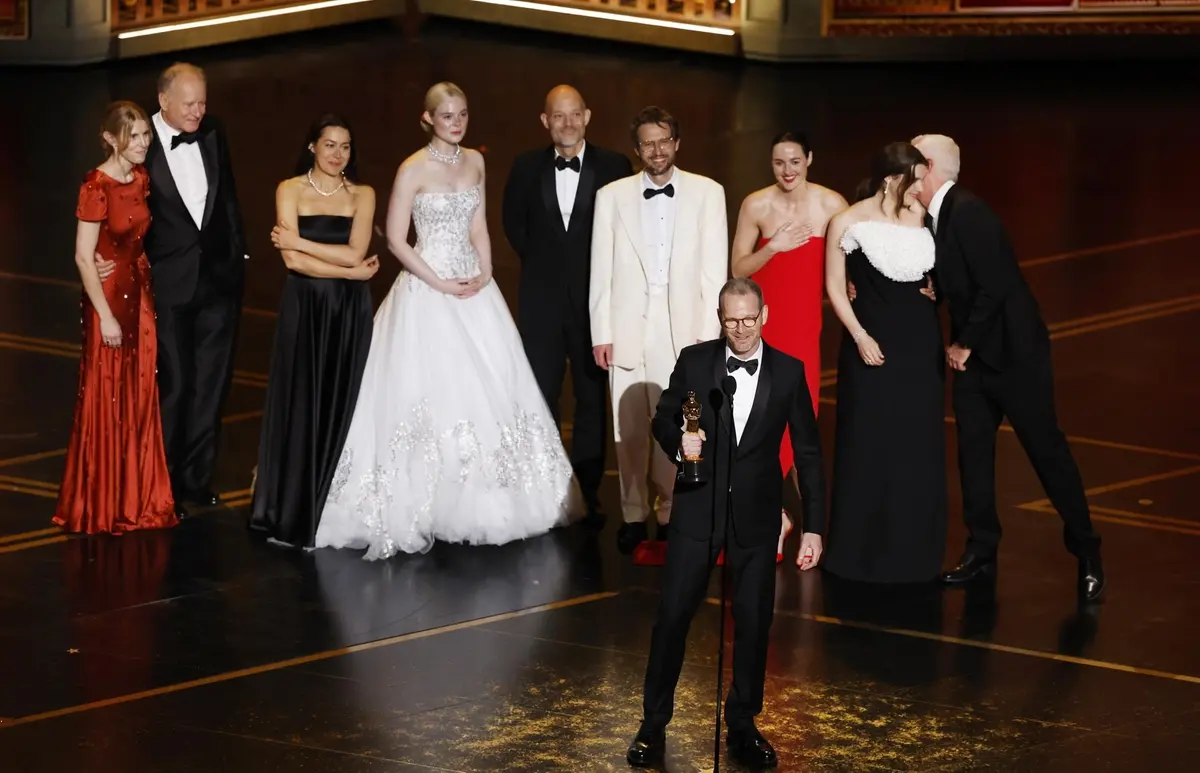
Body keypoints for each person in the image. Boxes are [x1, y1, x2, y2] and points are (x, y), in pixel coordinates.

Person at [315, 82, 580, 560]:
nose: (456, 123)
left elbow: (478, 226)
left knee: (494, 389)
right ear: (428, 119)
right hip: (427, 286)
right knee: (430, 392)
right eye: (447, 117)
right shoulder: (412, 169)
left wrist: (487, 269)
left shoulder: (475, 162)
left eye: (462, 115)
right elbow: (397, 240)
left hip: (474, 287)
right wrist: (438, 283)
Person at [626, 277, 825, 769]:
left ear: (765, 316)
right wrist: (680, 446)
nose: (739, 329)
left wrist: (814, 525)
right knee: (672, 619)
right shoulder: (696, 362)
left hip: (756, 520)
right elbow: (664, 418)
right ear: (720, 317)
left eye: (748, 319)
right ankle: (653, 726)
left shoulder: (788, 371)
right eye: (730, 319)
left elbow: (808, 453)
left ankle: (743, 724)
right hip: (697, 511)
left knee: (755, 625)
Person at [911, 133, 1104, 601]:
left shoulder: (970, 211)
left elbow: (995, 287)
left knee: (1046, 453)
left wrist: (961, 344)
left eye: (912, 161)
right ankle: (982, 552)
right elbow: (956, 274)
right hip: (978, 357)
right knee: (973, 456)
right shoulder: (933, 216)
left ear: (929, 167)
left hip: (1014, 356)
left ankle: (1088, 552)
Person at [99, 62, 248, 510]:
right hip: (167, 285)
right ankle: (161, 489)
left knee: (211, 386)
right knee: (176, 386)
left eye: (203, 102)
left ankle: (196, 483)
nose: (198, 111)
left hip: (219, 282)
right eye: (189, 103)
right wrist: (107, 260)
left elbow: (228, 199)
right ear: (163, 101)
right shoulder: (140, 145)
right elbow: (116, 206)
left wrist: (241, 257)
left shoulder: (214, 131)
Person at [590, 106, 728, 556]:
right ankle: (632, 513)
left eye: (664, 140)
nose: (657, 150)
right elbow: (601, 270)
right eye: (648, 143)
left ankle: (670, 512)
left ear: (677, 143)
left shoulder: (709, 193)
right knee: (628, 428)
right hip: (629, 325)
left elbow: (714, 272)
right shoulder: (612, 195)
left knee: (680, 424)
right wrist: (601, 331)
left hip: (685, 331)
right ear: (637, 149)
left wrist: (709, 334)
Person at [502, 85, 633, 529]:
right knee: (540, 396)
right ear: (545, 121)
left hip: (595, 308)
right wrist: (545, 273)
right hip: (540, 305)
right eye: (559, 116)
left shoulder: (615, 166)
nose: (568, 123)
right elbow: (512, 227)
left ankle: (588, 491)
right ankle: (543, 487)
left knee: (592, 401)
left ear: (588, 116)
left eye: (575, 114)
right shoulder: (524, 167)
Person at [248, 115, 380, 549]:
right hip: (305, 305)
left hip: (347, 309)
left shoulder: (364, 194)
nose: (337, 154)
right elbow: (293, 265)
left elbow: (356, 251)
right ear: (312, 147)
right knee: (303, 399)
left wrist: (300, 241)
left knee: (342, 398)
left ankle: (332, 505)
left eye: (345, 146)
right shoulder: (289, 189)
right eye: (329, 145)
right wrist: (349, 271)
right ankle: (292, 509)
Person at [821, 142, 947, 584]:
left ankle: (913, 554)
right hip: (871, 346)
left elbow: (939, 270)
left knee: (917, 447)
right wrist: (859, 335)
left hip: (920, 348)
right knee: (869, 443)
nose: (921, 190)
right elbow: (836, 287)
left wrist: (937, 287)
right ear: (893, 180)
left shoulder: (923, 218)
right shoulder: (848, 221)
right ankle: (860, 554)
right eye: (915, 181)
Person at [53, 101, 180, 534]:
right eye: (134, 136)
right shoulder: (96, 186)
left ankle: (137, 496)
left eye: (146, 135)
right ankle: (102, 501)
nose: (144, 143)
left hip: (138, 291)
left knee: (139, 392)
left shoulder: (140, 177)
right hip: (106, 297)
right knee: (106, 392)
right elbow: (82, 257)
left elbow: (137, 238)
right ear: (110, 138)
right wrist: (104, 315)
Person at [731, 130, 847, 564]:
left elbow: (847, 255)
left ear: (809, 159)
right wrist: (773, 247)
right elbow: (739, 267)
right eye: (780, 163)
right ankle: (774, 517)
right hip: (767, 327)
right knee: (761, 424)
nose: (787, 171)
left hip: (804, 331)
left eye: (795, 161)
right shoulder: (756, 204)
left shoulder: (832, 204)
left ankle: (813, 528)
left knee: (803, 431)